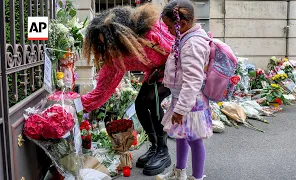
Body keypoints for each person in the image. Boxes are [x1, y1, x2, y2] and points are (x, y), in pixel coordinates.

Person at [81, 4, 175, 176]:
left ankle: (163, 151)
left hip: (174, 69)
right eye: (101, 41)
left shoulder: (150, 33)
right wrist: (78, 105)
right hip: (154, 73)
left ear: (119, 32)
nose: (105, 44)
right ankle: (154, 146)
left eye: (107, 38)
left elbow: (177, 50)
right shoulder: (117, 54)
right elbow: (103, 88)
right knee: (140, 103)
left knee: (152, 99)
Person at [156, 0, 213, 179]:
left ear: (182, 24)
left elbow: (193, 80)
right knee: (181, 135)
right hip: (181, 98)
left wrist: (181, 109)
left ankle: (197, 177)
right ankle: (179, 172)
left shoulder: (193, 44)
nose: (168, 30)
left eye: (169, 26)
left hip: (190, 102)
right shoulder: (185, 39)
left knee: (194, 140)